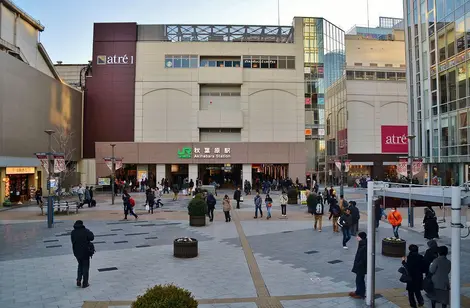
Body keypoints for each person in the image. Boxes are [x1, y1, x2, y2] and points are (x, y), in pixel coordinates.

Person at [70, 220, 94, 288]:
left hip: (76, 252)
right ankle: (85, 283)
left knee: (80, 265)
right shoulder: (85, 231)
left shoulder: (73, 232)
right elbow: (92, 238)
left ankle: (78, 279)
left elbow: (72, 241)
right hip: (85, 252)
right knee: (85, 267)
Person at [350, 232, 367, 299]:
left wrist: (359, 264)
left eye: (358, 236)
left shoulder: (364, 246)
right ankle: (358, 292)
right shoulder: (362, 244)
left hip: (361, 266)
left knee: (360, 280)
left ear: (361, 237)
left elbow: (363, 257)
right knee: (358, 279)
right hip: (360, 265)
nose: (357, 237)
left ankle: (361, 294)